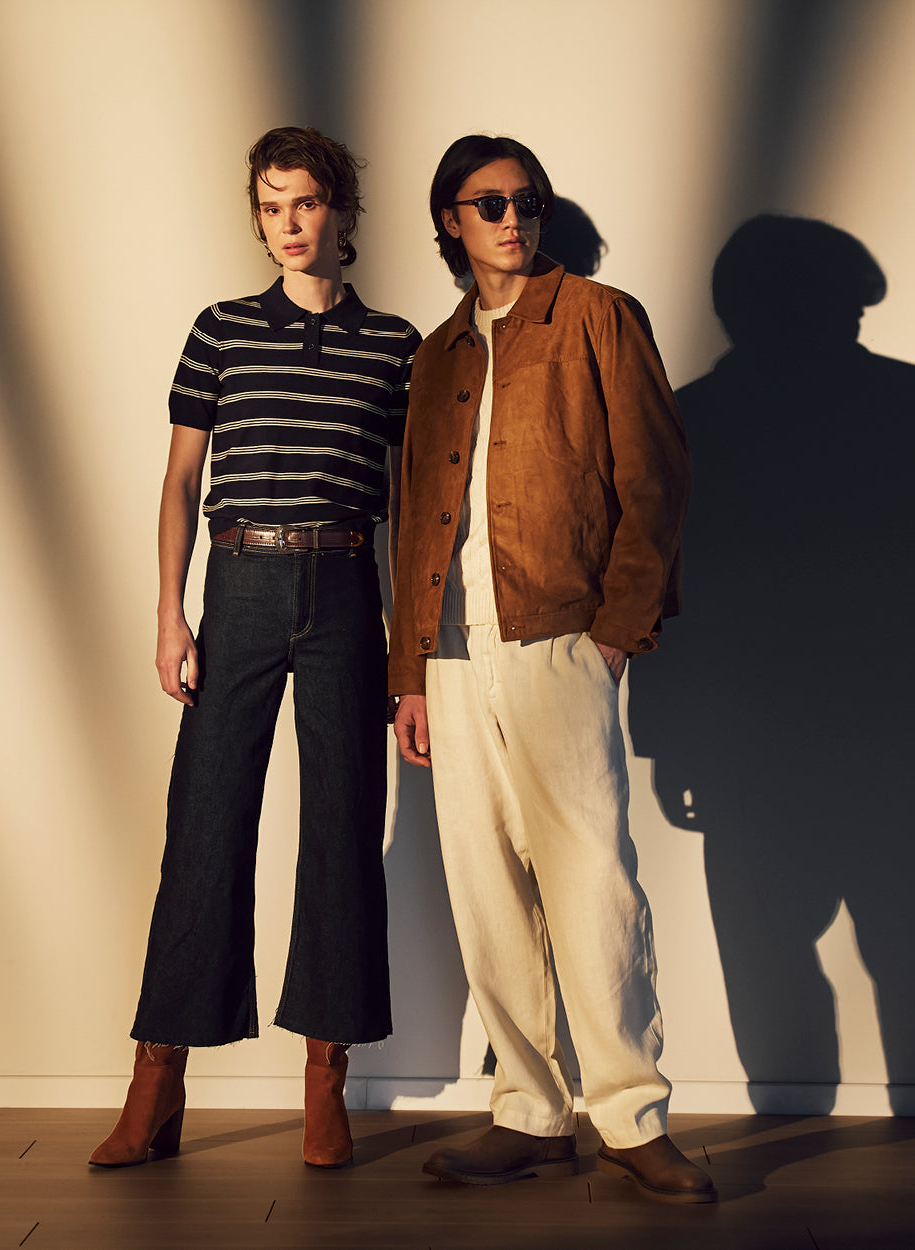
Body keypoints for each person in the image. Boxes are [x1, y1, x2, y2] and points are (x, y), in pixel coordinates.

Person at [389, 134, 716, 1203]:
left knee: (592, 883)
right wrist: (408, 671)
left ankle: (631, 1117)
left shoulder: (596, 316)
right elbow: (412, 514)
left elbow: (655, 477)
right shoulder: (437, 353)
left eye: (526, 200)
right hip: (451, 649)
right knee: (484, 889)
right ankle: (528, 1112)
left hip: (560, 635)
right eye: (487, 203)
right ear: (450, 220)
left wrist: (617, 629)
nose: (512, 218)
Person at [90, 126, 420, 1170]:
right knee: (206, 821)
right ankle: (157, 1077)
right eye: (271, 205)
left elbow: (412, 509)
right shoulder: (221, 330)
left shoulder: (394, 345)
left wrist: (407, 648)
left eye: (306, 202)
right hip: (237, 583)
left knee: (342, 826)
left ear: (342, 210)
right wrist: (168, 612)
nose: (288, 222)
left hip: (345, 587)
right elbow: (180, 479)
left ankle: (327, 1077)